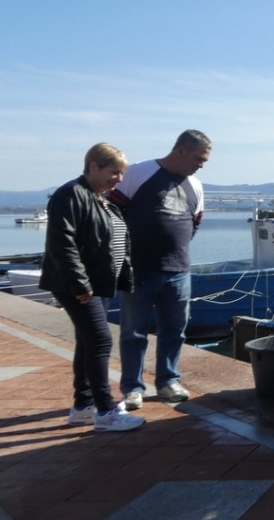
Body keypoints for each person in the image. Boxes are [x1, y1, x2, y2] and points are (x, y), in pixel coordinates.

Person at [39, 143, 145, 432]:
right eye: (114, 172)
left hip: (97, 284)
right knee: (100, 341)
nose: (119, 179)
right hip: (79, 285)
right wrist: (79, 283)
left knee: (88, 342)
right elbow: (63, 243)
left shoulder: (100, 198)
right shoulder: (71, 194)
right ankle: (105, 411)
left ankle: (83, 407)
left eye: (122, 173)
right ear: (93, 166)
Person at [112, 129, 212, 409]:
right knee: (133, 332)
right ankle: (132, 387)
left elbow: (195, 223)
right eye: (199, 158)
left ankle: (168, 381)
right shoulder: (138, 172)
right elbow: (112, 212)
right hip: (138, 269)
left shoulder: (196, 185)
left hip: (178, 270)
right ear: (180, 150)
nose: (201, 164)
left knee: (175, 330)